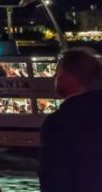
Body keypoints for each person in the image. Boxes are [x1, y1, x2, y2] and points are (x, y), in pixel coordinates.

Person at [39, 47, 102, 192]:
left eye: (57, 72)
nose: (53, 77)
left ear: (67, 77)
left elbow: (55, 179)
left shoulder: (60, 122)